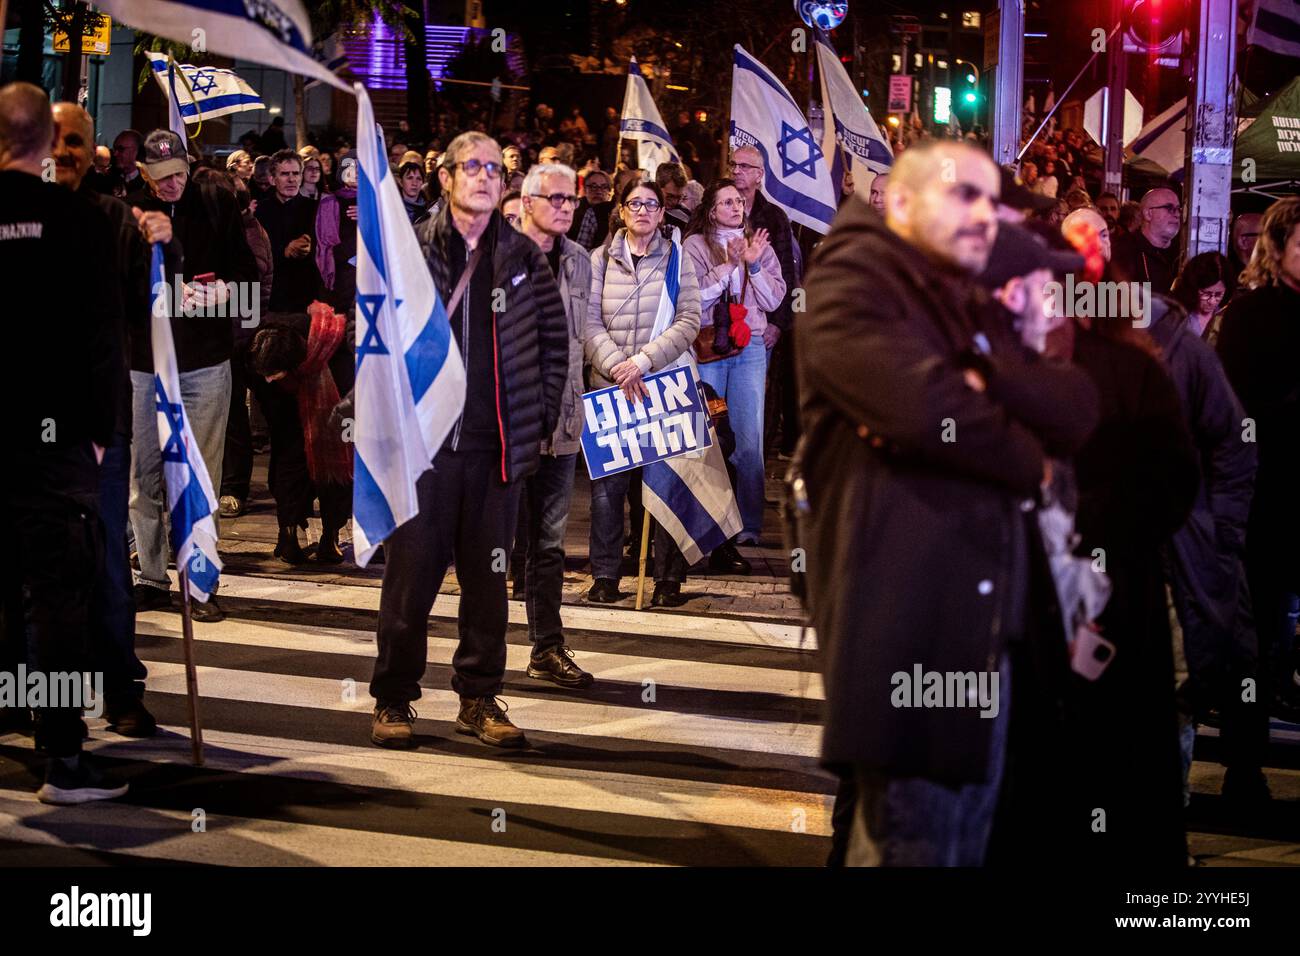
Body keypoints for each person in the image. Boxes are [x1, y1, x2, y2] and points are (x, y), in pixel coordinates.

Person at [799, 141, 1099, 866]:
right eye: (962, 194)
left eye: (991, 202)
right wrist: (1031, 462)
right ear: (899, 202)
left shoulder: (945, 298)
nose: (983, 216)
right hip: (915, 642)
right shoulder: (854, 278)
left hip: (974, 639)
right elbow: (925, 407)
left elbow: (1074, 406)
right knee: (916, 846)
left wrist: (980, 372)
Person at [369, 132, 569, 750]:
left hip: (497, 449)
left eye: (493, 167)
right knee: (411, 579)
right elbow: (377, 338)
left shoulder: (523, 257)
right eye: (471, 166)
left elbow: (553, 346)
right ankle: (395, 699)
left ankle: (479, 698)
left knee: (488, 583)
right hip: (426, 450)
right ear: (446, 176)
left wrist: (533, 425)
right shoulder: (412, 248)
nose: (484, 176)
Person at [1, 82, 128, 803]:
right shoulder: (78, 223)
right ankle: (64, 756)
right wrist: (99, 435)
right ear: (48, 144)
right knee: (57, 600)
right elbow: (102, 340)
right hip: (54, 449)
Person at [51, 101, 170, 737]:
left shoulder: (113, 220)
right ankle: (35, 695)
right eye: (52, 139)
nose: (64, 150)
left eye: (76, 140)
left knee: (103, 561)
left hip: (99, 422)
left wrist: (161, 244)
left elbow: (155, 299)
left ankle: (119, 689)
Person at [129, 130, 258, 623]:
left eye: (179, 172)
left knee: (202, 476)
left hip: (205, 361)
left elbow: (250, 279)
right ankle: (150, 576)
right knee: (145, 478)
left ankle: (200, 580)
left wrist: (225, 294)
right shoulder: (130, 211)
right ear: (144, 173)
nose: (173, 183)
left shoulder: (217, 202)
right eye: (162, 177)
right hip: (146, 363)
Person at [1145, 293, 1267, 810]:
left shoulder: (1180, 350)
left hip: (1173, 555)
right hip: (1094, 566)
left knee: (1176, 690)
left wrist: (1217, 531)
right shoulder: (1051, 349)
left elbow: (1235, 444)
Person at [583, 179, 702, 606]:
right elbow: (588, 321)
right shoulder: (598, 259)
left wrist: (644, 362)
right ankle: (606, 575)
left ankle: (668, 580)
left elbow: (689, 320)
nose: (643, 211)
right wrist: (618, 365)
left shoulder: (677, 260)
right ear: (621, 209)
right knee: (608, 491)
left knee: (664, 486)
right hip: (612, 388)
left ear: (661, 212)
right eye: (635, 203)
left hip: (660, 384)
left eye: (652, 204)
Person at [511, 162, 595, 687]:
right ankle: (476, 668)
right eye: (555, 198)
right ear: (526, 203)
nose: (566, 206)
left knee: (548, 545)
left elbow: (583, 339)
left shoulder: (582, 261)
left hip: (561, 422)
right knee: (491, 547)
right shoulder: (497, 256)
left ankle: (546, 646)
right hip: (505, 426)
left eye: (571, 199)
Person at [1217, 197, 1300, 723]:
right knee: (1261, 617)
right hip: (1268, 491)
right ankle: (1243, 760)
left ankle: (1274, 683)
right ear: (1276, 247)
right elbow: (1235, 408)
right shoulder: (1250, 314)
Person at [684, 179, 785, 568]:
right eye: (727, 201)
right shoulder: (695, 246)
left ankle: (748, 523)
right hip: (708, 348)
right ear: (711, 209)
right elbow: (692, 294)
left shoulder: (761, 244)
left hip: (750, 348)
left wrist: (755, 263)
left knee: (749, 438)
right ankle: (708, 520)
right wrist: (730, 266)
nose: (736, 207)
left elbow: (775, 298)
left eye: (739, 201)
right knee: (711, 438)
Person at [728, 143, 800, 475]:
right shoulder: (715, 208)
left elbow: (787, 274)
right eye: (733, 165)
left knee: (752, 412)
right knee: (718, 410)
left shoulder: (774, 218)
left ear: (759, 175)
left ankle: (747, 488)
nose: (736, 171)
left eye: (744, 166)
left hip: (759, 328)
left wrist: (779, 324)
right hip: (718, 329)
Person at [214, 168, 274, 520]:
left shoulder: (248, 235)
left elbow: (251, 295)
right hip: (226, 334)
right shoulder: (230, 230)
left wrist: (239, 335)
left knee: (235, 414)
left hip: (237, 337)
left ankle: (234, 487)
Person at [256, 149, 323, 313]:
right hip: (271, 298)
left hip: (307, 297)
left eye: (296, 173)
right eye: (285, 174)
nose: (291, 179)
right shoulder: (260, 212)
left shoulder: (316, 209)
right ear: (272, 179)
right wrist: (284, 251)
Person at [1110, 187, 1181, 295]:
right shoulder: (1124, 251)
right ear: (1148, 214)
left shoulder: (1182, 252)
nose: (1177, 214)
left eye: (1178, 209)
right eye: (1169, 208)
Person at [315, 153, 359, 314]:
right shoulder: (330, 201)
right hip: (340, 271)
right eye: (352, 167)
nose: (357, 172)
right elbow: (325, 241)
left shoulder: (376, 201)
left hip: (368, 271)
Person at [1170, 252, 1232, 343]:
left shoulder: (1228, 317)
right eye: (1206, 293)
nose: (1212, 301)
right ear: (1194, 288)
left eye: (1218, 294)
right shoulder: (1176, 316)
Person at [569, 167, 614, 249]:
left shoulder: (612, 212)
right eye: (593, 186)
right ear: (585, 189)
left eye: (604, 187)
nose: (598, 191)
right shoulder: (573, 209)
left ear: (609, 191)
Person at [109, 128, 146, 199]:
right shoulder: (108, 178)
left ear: (137, 151)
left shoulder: (147, 184)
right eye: (115, 149)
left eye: (121, 149)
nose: (115, 154)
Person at [655, 161, 690, 233]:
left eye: (679, 197)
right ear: (657, 187)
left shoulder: (686, 215)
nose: (674, 202)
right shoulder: (645, 212)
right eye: (670, 196)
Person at [397, 158, 428, 223]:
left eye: (419, 179)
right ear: (401, 182)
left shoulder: (430, 210)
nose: (414, 183)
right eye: (410, 178)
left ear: (422, 182)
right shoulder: (391, 207)